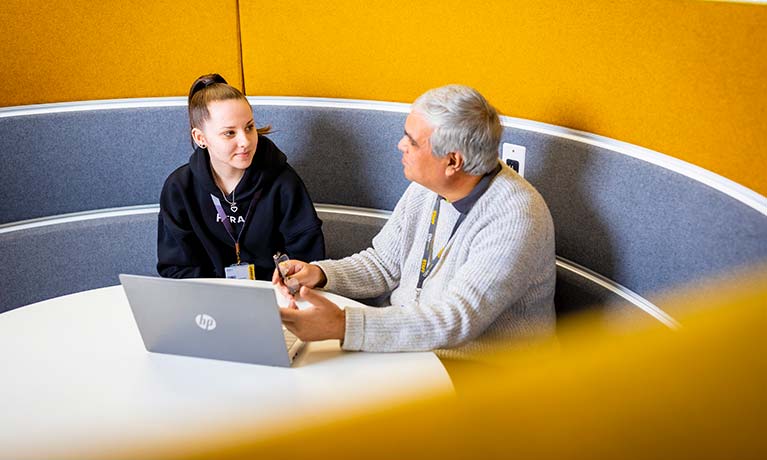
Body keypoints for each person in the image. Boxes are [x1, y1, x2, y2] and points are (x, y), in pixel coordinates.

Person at [275, 84, 556, 359]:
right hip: (416, 351)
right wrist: (320, 274)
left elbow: (455, 320)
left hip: (483, 372)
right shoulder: (429, 184)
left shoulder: (515, 216)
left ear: (452, 161)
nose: (400, 145)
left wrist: (343, 325)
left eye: (411, 140)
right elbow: (384, 264)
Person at [157, 73, 325, 280]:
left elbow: (308, 259)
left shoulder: (283, 181)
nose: (245, 141)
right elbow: (176, 267)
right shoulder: (179, 188)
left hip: (277, 298)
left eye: (249, 127)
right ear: (200, 138)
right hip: (207, 303)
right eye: (229, 133)